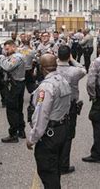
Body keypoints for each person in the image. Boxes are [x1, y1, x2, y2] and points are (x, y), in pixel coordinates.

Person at [27, 54, 71, 188]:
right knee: (55, 168)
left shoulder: (45, 87)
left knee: (47, 172)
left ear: (42, 68)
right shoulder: (63, 81)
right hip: (62, 128)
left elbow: (41, 114)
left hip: (49, 134)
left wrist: (32, 138)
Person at [56, 45, 87, 174]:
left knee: (55, 133)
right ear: (68, 56)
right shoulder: (74, 71)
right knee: (68, 135)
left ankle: (55, 162)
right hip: (70, 106)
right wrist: (72, 59)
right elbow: (83, 69)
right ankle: (64, 165)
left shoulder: (53, 69)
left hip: (56, 105)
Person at [0, 40, 26, 142]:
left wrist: (1, 58)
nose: (5, 51)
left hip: (14, 85)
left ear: (14, 47)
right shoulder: (14, 56)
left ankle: (13, 134)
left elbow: (7, 67)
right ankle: (21, 130)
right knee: (18, 108)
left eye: (7, 48)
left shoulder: (16, 57)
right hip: (17, 84)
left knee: (12, 110)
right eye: (5, 49)